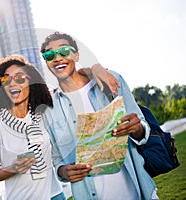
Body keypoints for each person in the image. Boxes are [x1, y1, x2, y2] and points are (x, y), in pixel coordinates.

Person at [40, 32, 159, 200]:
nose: (58, 58)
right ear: (47, 63)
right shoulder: (49, 110)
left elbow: (143, 129)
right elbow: (56, 158)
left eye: (64, 51)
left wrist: (137, 128)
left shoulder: (111, 81)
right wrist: (63, 172)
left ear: (76, 55)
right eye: (50, 55)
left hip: (139, 190)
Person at [0, 54, 116, 199]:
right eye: (6, 79)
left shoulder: (44, 113)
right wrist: (14, 168)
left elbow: (70, 80)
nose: (13, 83)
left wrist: (95, 69)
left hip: (55, 196)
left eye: (20, 78)